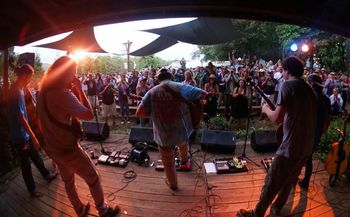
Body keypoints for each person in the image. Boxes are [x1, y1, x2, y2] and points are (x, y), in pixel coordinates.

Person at [37, 56, 119, 217]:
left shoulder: (41, 94)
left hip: (54, 149)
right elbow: (88, 114)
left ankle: (80, 211)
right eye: (73, 72)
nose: (75, 76)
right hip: (69, 149)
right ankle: (103, 210)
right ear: (64, 73)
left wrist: (49, 150)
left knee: (68, 181)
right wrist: (80, 90)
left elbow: (42, 124)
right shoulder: (62, 94)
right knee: (93, 177)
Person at [238, 56, 317, 217]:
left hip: (291, 146)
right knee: (290, 178)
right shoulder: (308, 88)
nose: (281, 72)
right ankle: (277, 208)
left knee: (271, 181)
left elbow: (277, 118)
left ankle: (257, 214)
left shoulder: (287, 86)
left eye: (283, 70)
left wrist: (265, 108)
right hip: (307, 146)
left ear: (287, 70)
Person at [135, 68, 207, 190]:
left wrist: (155, 112)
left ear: (158, 79)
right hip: (181, 131)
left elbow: (139, 113)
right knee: (183, 144)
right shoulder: (181, 87)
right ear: (171, 77)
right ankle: (184, 161)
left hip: (163, 135)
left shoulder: (151, 92)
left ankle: (174, 185)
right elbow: (204, 94)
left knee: (168, 163)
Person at [7, 64, 57, 198]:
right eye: (30, 76)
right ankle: (32, 190)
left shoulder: (19, 89)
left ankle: (46, 175)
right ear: (25, 75)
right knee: (25, 164)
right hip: (20, 134)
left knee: (34, 155)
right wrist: (33, 137)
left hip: (22, 133)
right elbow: (21, 117)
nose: (31, 79)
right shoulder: (16, 91)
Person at [298, 73, 331, 189]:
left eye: (308, 82)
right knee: (308, 157)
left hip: (306, 132)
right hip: (317, 133)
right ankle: (305, 181)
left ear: (311, 83)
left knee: (300, 156)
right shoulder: (326, 99)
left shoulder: (310, 98)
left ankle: (294, 180)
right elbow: (327, 119)